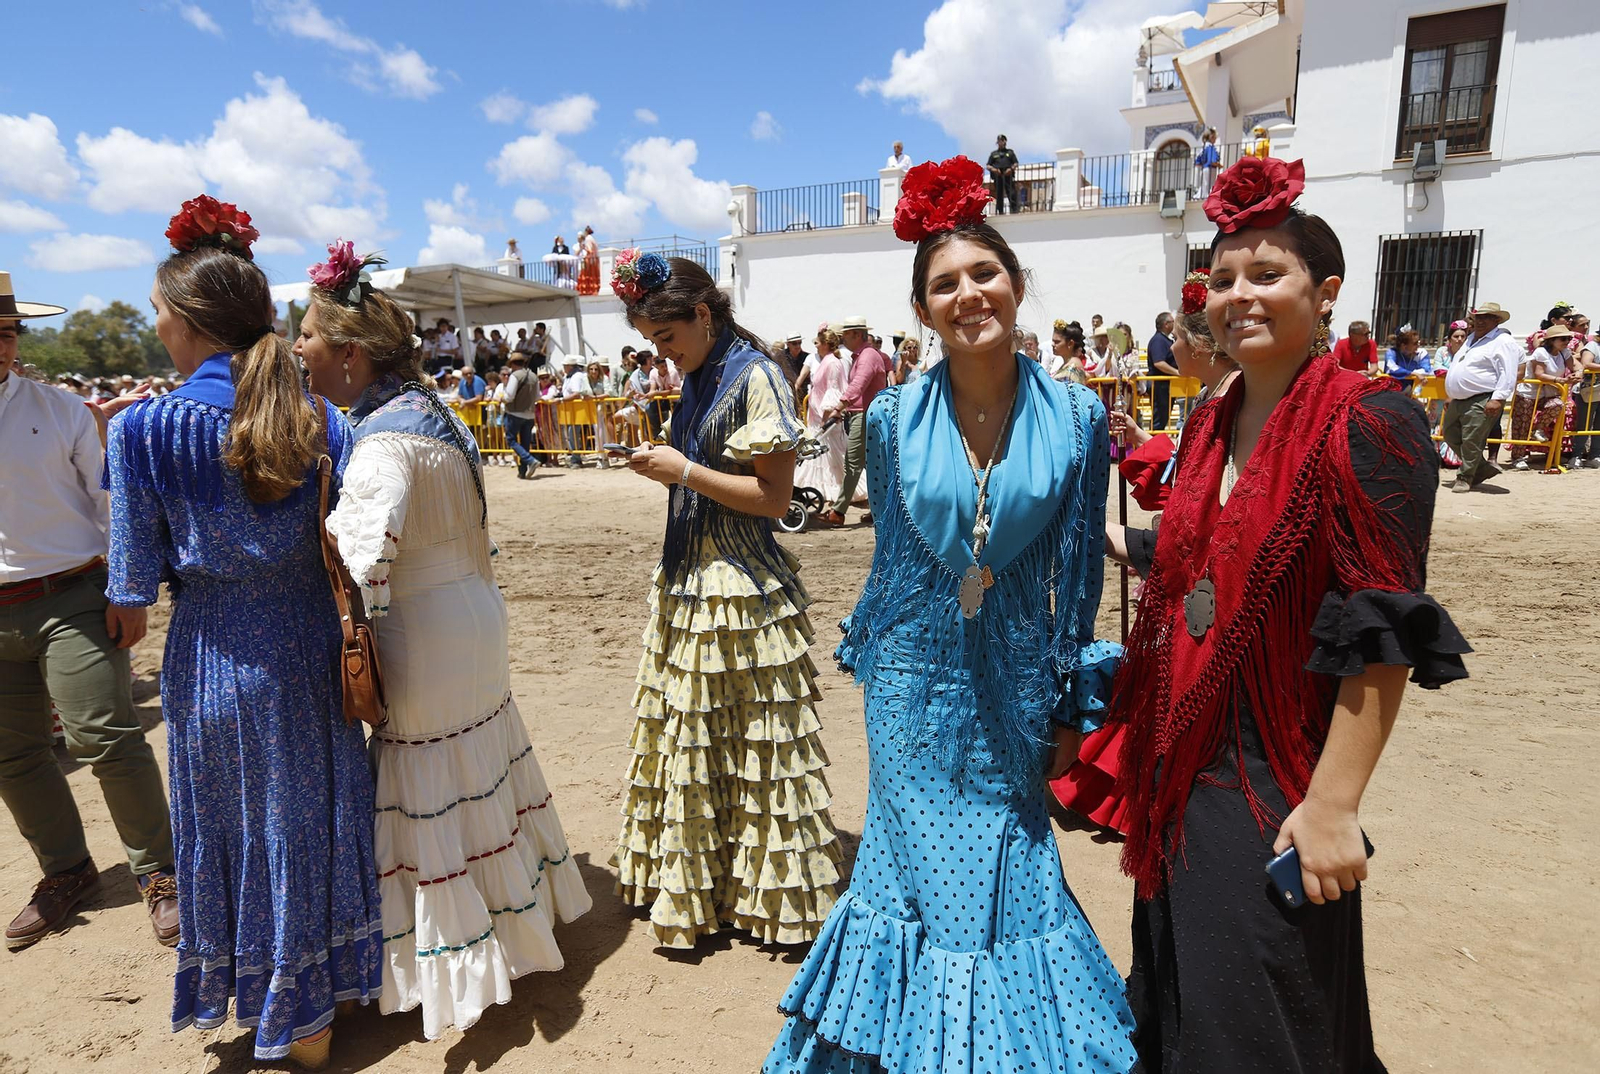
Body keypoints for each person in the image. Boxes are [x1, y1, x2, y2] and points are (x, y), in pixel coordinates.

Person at [765, 155, 1135, 1074]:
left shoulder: (1081, 419)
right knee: (909, 869)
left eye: (984, 273)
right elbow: (894, 560)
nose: (969, 294)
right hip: (911, 683)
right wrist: (879, 651)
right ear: (922, 310)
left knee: (1008, 859)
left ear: (1016, 284)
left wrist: (1064, 701)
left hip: (1012, 682)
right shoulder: (889, 421)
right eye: (944, 284)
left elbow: (1080, 578)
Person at [1104, 156, 1469, 1072]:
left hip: (1273, 769)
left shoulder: (1368, 417)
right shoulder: (1209, 419)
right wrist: (1107, 543)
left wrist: (1334, 805)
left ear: (1326, 293)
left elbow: (1382, 626)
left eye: (1267, 274)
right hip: (1180, 754)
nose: (1239, 296)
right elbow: (1218, 553)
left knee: (1260, 1018)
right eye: (1222, 279)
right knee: (1182, 997)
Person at [107, 199, 382, 1068]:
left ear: (187, 323)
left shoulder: (145, 429)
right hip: (309, 644)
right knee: (309, 823)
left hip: (215, 656)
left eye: (158, 312)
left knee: (232, 827)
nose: (155, 326)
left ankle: (272, 1003)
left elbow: (129, 586)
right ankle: (317, 1012)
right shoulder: (324, 421)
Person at [296, 242, 589, 1040]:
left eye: (309, 337)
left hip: (425, 635)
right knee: (480, 768)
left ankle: (456, 965)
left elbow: (360, 563)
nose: (298, 349)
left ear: (350, 355)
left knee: (429, 787)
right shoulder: (432, 416)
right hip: (472, 619)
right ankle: (512, 919)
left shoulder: (383, 442)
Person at [606, 252, 842, 948]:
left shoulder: (758, 377)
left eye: (666, 338)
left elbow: (773, 499)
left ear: (703, 314)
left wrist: (683, 471)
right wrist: (670, 467)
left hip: (740, 586)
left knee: (753, 752)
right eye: (653, 342)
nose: (663, 353)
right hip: (693, 580)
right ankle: (708, 887)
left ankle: (764, 903)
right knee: (700, 741)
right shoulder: (703, 375)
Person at [0, 272, 178, 954]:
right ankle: (64, 870)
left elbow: (112, 507)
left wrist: (127, 590)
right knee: (12, 757)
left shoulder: (62, 409)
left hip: (71, 597)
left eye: (8, 333)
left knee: (104, 735)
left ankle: (161, 873)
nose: (1, 346)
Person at [817, 317, 891, 526]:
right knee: (874, 464)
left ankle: (839, 512)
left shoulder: (867, 357)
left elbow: (859, 384)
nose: (842, 338)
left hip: (865, 414)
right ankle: (880, 509)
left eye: (846, 334)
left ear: (857, 334)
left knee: (854, 464)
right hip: (865, 413)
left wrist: (839, 407)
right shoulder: (865, 355)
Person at [1443, 302, 1520, 492]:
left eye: (1487, 317)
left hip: (1483, 397)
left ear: (1496, 320)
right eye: (1478, 317)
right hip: (1459, 398)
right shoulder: (1470, 339)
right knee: (1450, 435)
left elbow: (1507, 371)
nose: (1480, 321)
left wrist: (1499, 397)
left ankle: (1465, 477)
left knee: (1472, 439)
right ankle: (1482, 468)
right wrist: (1452, 393)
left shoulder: (1503, 341)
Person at [1510, 325, 1577, 470]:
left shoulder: (1563, 353)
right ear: (1552, 340)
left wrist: (1578, 373)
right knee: (1521, 426)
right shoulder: (1540, 352)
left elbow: (1575, 366)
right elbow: (1539, 373)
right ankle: (1518, 457)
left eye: (1569, 338)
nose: (1567, 341)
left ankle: (1538, 429)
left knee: (1558, 404)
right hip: (1528, 393)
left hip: (1548, 393)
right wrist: (1560, 380)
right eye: (1563, 338)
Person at [794, 326, 847, 503]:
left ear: (825, 344)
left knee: (827, 453)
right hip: (816, 415)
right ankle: (818, 487)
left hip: (824, 417)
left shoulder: (832, 363)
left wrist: (828, 416)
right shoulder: (826, 361)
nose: (815, 346)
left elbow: (833, 389)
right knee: (819, 454)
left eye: (817, 343)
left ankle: (834, 487)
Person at [501, 353, 542, 479]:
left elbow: (509, 396)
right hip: (529, 414)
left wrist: (502, 398)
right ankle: (522, 471)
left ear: (513, 364)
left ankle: (530, 460)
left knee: (511, 439)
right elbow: (537, 397)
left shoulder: (515, 376)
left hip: (515, 413)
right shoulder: (534, 376)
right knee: (525, 443)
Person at [1570, 329, 1600, 468]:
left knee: (1599, 425)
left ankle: (1595, 455)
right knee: (1584, 424)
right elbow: (1587, 363)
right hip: (1589, 390)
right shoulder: (1593, 345)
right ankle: (1576, 455)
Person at [1146, 311, 1178, 431]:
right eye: (1172, 322)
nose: (1174, 324)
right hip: (1159, 386)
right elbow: (1159, 362)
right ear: (1166, 324)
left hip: (1166, 386)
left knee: (1163, 418)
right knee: (1158, 420)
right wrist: (1177, 373)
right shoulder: (1158, 340)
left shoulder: (1165, 339)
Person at [1049, 319, 1090, 384]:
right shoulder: (1065, 364)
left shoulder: (1074, 366)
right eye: (1053, 341)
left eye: (1057, 342)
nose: (1053, 344)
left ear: (1070, 344)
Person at [986, 134, 1019, 214]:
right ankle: (1000, 211)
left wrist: (1010, 169)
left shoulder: (1010, 152)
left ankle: (1014, 210)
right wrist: (994, 169)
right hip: (998, 175)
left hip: (1008, 175)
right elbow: (988, 165)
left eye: (1001, 141)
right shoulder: (994, 154)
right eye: (999, 141)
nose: (1000, 143)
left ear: (1005, 142)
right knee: (999, 194)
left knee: (1011, 193)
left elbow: (1015, 163)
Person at [1195, 126, 1221, 192]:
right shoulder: (1210, 147)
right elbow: (1212, 161)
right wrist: (1219, 165)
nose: (1215, 139)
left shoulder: (1204, 147)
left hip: (1204, 169)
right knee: (1210, 186)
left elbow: (1198, 162)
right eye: (1215, 137)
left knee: (1205, 185)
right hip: (1211, 169)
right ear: (1212, 137)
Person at [577, 225, 600, 296]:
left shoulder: (588, 239)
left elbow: (590, 250)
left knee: (588, 275)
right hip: (594, 260)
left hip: (590, 260)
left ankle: (588, 290)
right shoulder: (592, 238)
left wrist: (584, 248)